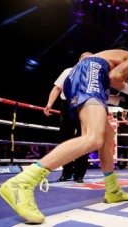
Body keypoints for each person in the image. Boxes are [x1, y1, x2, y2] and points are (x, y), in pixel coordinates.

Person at [0, 49, 128, 224]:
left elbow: (104, 84)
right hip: (90, 72)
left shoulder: (108, 62)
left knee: (107, 134)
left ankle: (112, 190)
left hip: (80, 78)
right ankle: (22, 182)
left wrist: (120, 100)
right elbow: (115, 78)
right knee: (93, 137)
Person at [43, 54, 90, 183]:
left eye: (89, 59)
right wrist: (49, 104)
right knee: (65, 139)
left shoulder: (92, 75)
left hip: (84, 105)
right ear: (79, 60)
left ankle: (79, 174)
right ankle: (66, 172)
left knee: (84, 139)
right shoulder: (68, 71)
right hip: (67, 104)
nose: (86, 62)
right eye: (84, 59)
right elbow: (57, 88)